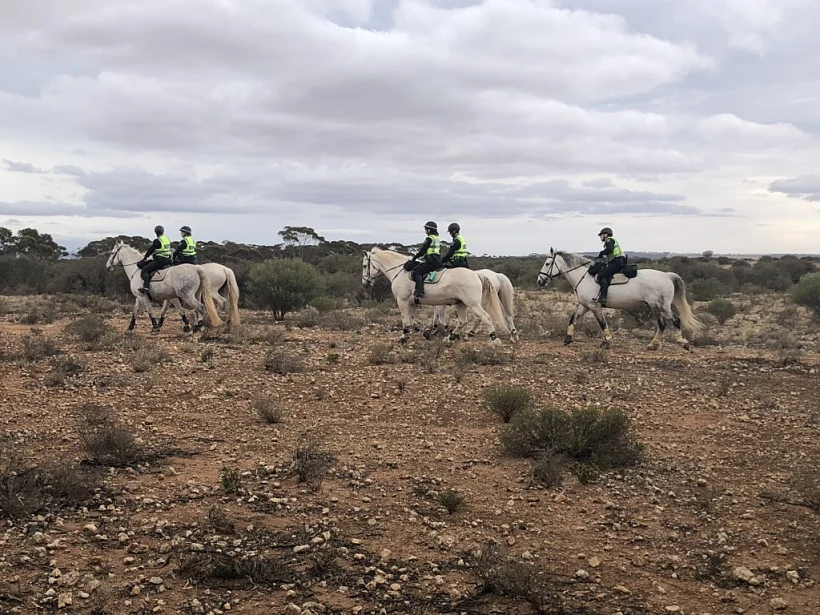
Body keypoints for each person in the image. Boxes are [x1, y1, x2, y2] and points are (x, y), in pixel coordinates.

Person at [406, 221, 442, 298]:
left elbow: (423, 250)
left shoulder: (429, 238)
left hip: (432, 261)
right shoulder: (437, 238)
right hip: (438, 260)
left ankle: (420, 291)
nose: (425, 230)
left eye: (426, 229)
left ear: (429, 230)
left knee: (417, 272)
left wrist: (415, 257)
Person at [595, 227, 626, 307]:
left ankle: (603, 298)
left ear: (605, 235)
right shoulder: (610, 240)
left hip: (617, 261)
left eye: (601, 235)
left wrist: (601, 253)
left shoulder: (609, 240)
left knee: (602, 275)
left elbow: (610, 249)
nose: (600, 237)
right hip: (618, 261)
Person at [138, 225, 173, 293]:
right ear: (163, 231)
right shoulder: (167, 239)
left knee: (145, 270)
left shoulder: (157, 240)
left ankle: (146, 287)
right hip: (168, 260)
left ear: (156, 232)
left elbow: (150, 250)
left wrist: (145, 257)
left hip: (160, 261)